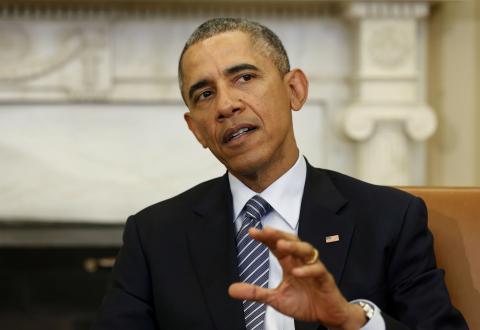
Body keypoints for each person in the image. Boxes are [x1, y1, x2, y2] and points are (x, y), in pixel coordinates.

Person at [93, 18, 467, 330]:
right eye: (205, 94)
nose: (226, 105)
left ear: (295, 90)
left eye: (243, 77)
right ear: (197, 130)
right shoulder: (154, 236)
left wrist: (353, 320)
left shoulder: (389, 218)